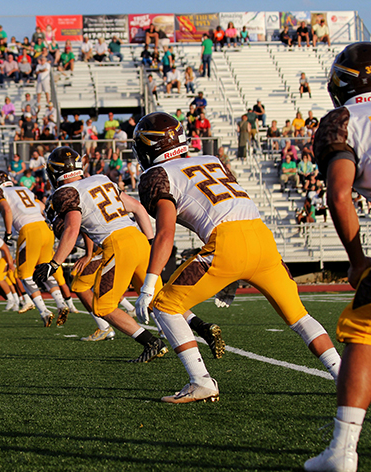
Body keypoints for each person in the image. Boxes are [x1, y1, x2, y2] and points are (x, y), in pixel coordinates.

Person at [132, 112, 341, 403]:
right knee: (299, 316)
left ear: (148, 146)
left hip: (227, 243)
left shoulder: (158, 175)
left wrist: (148, 284)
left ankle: (200, 381)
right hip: (262, 238)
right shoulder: (210, 160)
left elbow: (166, 233)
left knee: (165, 306)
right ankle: (342, 374)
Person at [303, 42, 371, 472]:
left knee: (361, 332)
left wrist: (357, 259)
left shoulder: (345, 120)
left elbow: (340, 193)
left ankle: (342, 451)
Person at [34, 147, 168, 363]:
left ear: (54, 172)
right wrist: (151, 243)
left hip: (116, 244)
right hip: (138, 238)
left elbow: (72, 228)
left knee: (103, 306)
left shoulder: (64, 193)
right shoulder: (100, 179)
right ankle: (198, 332)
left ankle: (151, 342)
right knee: (160, 298)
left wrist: (54, 263)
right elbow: (138, 209)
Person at [0, 170, 69, 326]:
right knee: (44, 270)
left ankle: (44, 311)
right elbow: (43, 207)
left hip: (30, 231)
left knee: (24, 275)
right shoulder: (23, 189)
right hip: (45, 229)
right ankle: (61, 304)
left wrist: (9, 232)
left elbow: (7, 209)